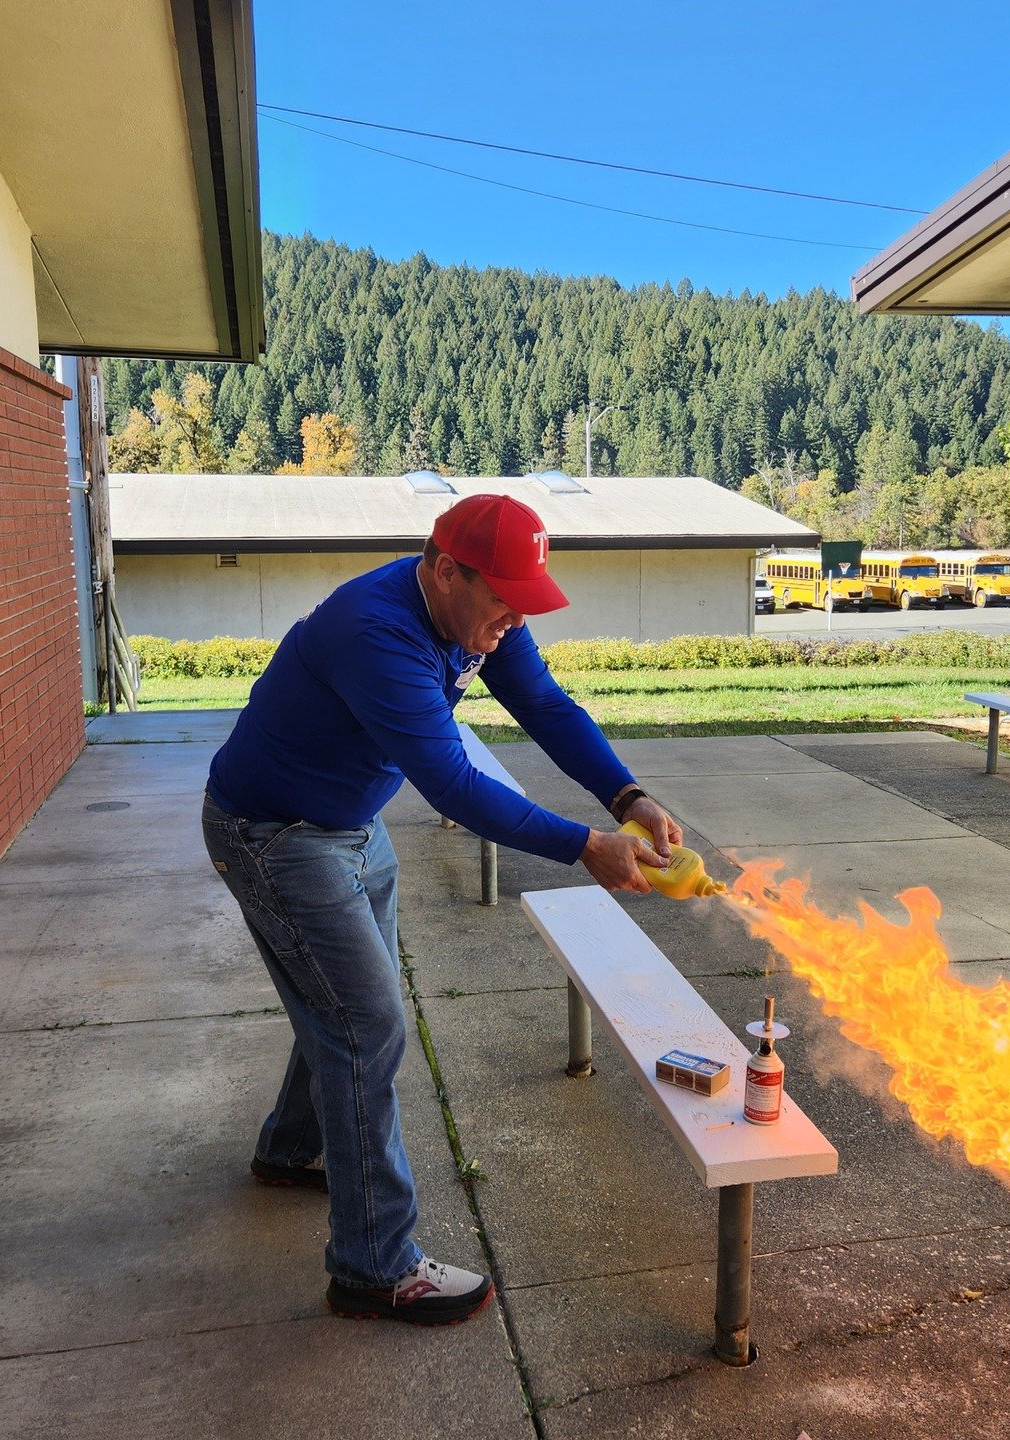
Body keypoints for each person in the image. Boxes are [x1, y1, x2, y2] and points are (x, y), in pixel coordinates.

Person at [201, 492, 681, 1326]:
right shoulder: (376, 632)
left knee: (347, 1006)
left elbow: (546, 706)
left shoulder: (480, 615)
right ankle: (373, 1266)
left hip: (350, 823)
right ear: (446, 570)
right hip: (275, 834)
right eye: (504, 600)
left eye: (525, 601)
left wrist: (626, 795)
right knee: (366, 1023)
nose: (515, 620)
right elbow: (454, 785)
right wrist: (584, 846)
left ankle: (293, 1148)